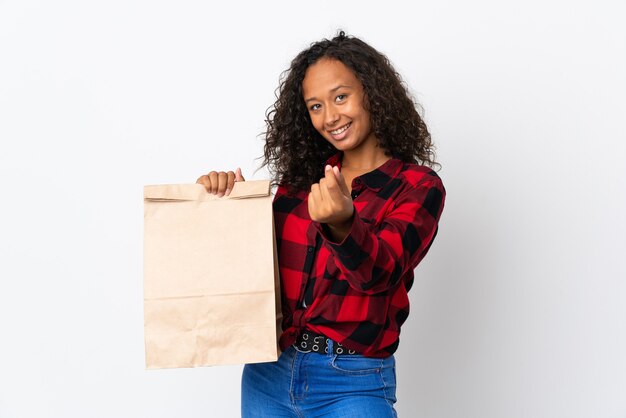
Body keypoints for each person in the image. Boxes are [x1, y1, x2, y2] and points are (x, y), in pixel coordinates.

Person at [197, 31, 445, 418]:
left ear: (372, 93)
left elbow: (379, 273)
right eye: (315, 106)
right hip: (268, 375)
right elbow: (257, 271)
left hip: (353, 381)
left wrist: (345, 224)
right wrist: (227, 205)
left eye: (340, 97)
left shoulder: (416, 187)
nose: (330, 117)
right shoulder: (300, 183)